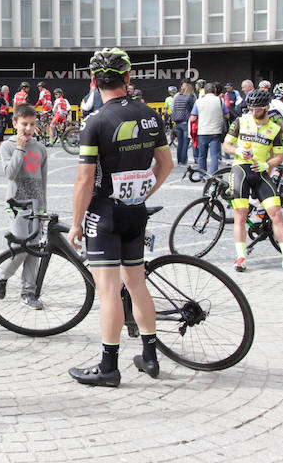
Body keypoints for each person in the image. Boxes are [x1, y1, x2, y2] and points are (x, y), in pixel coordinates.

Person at [67, 48, 173, 387]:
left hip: (105, 213)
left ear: (94, 81)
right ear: (128, 78)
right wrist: (141, 194)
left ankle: (108, 367)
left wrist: (76, 221)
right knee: (136, 282)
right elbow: (166, 164)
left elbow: (84, 180)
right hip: (135, 211)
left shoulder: (95, 122)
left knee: (109, 290)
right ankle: (150, 355)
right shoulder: (150, 115)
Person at [223, 89, 283, 271]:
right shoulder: (240, 121)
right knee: (241, 214)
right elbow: (226, 144)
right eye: (251, 109)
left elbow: (278, 156)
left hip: (261, 172)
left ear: (267, 108)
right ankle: (241, 258)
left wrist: (266, 164)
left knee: (276, 213)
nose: (253, 112)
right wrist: (237, 151)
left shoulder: (275, 129)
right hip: (240, 170)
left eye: (258, 109)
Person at [0, 103, 47, 309]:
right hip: (16, 205)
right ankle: (2, 274)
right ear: (15, 123)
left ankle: (28, 293)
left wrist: (43, 210)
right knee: (21, 248)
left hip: (36, 207)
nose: (28, 128)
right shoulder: (7, 146)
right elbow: (10, 173)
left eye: (32, 124)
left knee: (34, 250)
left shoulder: (41, 149)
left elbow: (43, 182)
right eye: (24, 123)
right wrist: (20, 148)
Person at [189, 82, 229, 174]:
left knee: (202, 155)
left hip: (202, 131)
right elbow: (227, 115)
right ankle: (214, 175)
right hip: (216, 131)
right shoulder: (220, 101)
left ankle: (202, 175)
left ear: (205, 91)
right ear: (214, 90)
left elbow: (193, 118)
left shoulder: (198, 102)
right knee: (214, 155)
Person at [171, 80, 196, 166]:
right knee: (186, 142)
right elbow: (193, 109)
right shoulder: (189, 98)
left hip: (178, 121)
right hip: (186, 121)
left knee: (180, 143)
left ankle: (179, 160)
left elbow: (173, 108)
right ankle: (184, 160)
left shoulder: (177, 97)